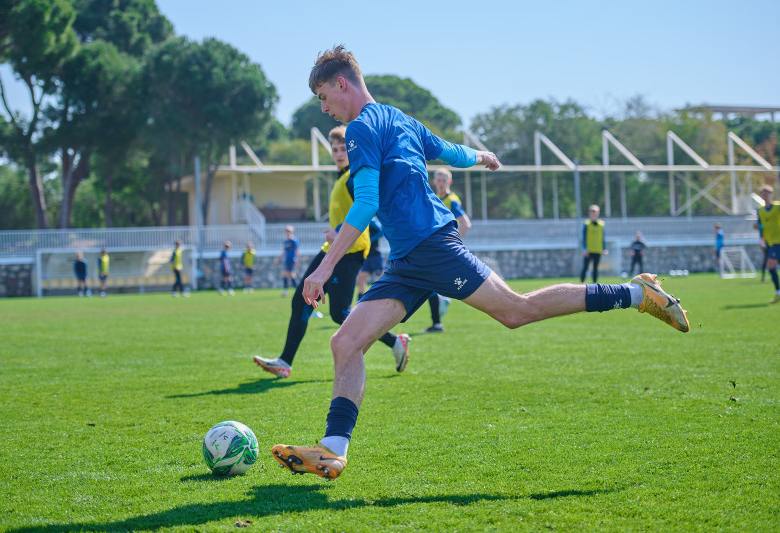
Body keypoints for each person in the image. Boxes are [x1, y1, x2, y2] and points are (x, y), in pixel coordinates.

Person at [270, 45, 689, 481]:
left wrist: (324, 268)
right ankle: (333, 450)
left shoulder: (360, 129)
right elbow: (448, 151)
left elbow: (367, 202)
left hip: (431, 246)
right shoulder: (399, 119)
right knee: (345, 342)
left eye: (323, 97)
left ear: (341, 83)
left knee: (517, 310)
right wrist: (480, 156)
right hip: (408, 259)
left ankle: (636, 293)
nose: (324, 109)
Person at [253, 125, 410, 379]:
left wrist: (339, 230)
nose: (339, 153)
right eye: (335, 149)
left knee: (334, 310)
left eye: (344, 148)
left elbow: (372, 215)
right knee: (312, 303)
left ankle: (394, 341)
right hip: (334, 250)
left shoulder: (354, 178)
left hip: (350, 252)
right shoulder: (341, 178)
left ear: (354, 149)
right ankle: (285, 362)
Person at [420, 167, 471, 333]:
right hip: (434, 247)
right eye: (439, 180)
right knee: (428, 283)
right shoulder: (435, 198)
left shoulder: (452, 200)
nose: (441, 183)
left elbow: (465, 224)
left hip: (442, 249)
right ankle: (440, 307)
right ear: (434, 181)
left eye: (444, 180)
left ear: (449, 182)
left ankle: (438, 317)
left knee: (428, 282)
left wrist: (453, 244)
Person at [755, 185, 780, 302]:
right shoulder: (760, 210)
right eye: (763, 194)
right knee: (771, 266)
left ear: (772, 195)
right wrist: (761, 238)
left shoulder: (778, 207)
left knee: (771, 265)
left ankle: (778, 292)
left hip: (778, 241)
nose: (765, 196)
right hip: (769, 242)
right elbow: (760, 225)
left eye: (767, 194)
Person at [355, 218, 384, 299]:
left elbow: (381, 232)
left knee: (379, 277)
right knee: (361, 277)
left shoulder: (371, 221)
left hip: (375, 254)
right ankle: (360, 300)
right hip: (366, 255)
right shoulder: (359, 221)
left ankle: (379, 298)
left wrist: (370, 240)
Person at [580, 205, 607, 283]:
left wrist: (604, 248)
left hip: (598, 249)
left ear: (598, 213)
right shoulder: (587, 224)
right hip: (589, 250)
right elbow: (584, 237)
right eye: (592, 212)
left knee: (595, 268)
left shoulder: (601, 224)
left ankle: (594, 283)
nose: (594, 213)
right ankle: (582, 282)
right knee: (585, 267)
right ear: (589, 213)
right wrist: (585, 249)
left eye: (595, 212)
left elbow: (603, 237)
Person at [274, 225, 299, 297]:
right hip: (287, 259)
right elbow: (284, 252)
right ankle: (297, 290)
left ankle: (286, 291)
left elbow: (297, 251)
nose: (288, 233)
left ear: (291, 232)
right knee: (291, 275)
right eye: (287, 231)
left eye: (289, 231)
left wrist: (297, 261)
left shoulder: (294, 241)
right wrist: (278, 259)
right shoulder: (286, 241)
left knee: (285, 274)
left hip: (292, 259)